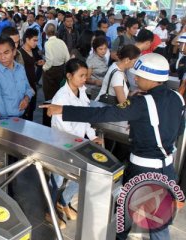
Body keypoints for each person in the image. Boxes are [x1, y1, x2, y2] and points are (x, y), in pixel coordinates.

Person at [41, 53, 185, 240]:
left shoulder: (141, 103)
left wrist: (62, 109)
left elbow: (104, 114)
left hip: (142, 170)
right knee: (158, 222)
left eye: (139, 75)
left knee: (127, 214)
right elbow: (179, 129)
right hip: (166, 169)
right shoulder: (177, 98)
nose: (135, 78)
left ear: (150, 78)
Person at [46, 59, 102, 229]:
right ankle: (50, 211)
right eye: (81, 76)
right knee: (58, 178)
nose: (85, 79)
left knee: (81, 177)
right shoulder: (61, 97)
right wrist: (81, 142)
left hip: (79, 143)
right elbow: (64, 128)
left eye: (86, 75)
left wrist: (92, 137)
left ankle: (64, 202)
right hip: (62, 143)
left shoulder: (81, 91)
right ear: (69, 76)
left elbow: (86, 116)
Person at [0, 36, 34, 118]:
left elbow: (28, 89)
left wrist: (26, 99)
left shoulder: (20, 68)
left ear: (14, 52)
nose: (2, 57)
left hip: (22, 117)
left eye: (6, 53)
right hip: (6, 122)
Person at [42, 23, 70, 126]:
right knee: (59, 97)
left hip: (50, 71)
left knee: (49, 98)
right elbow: (67, 58)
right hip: (61, 71)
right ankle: (58, 121)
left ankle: (48, 122)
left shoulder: (47, 44)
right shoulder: (61, 42)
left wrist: (44, 68)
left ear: (45, 33)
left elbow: (50, 60)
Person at [20, 28, 44, 121]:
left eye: (37, 40)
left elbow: (37, 60)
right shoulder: (20, 53)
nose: (36, 43)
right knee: (25, 111)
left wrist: (38, 63)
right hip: (24, 87)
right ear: (27, 39)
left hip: (33, 85)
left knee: (32, 110)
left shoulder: (34, 50)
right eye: (34, 40)